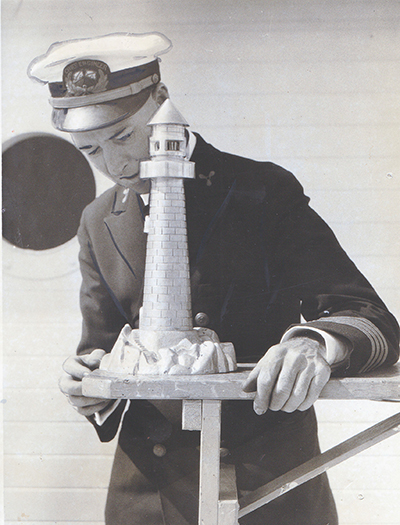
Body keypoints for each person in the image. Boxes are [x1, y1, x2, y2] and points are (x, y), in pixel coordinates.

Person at [29, 33, 399, 525]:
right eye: (90, 149)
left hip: (265, 484)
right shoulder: (98, 220)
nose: (116, 165)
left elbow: (367, 316)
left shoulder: (261, 191)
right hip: (147, 495)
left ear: (162, 101)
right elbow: (100, 348)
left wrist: (313, 344)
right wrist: (87, 383)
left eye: (122, 136)